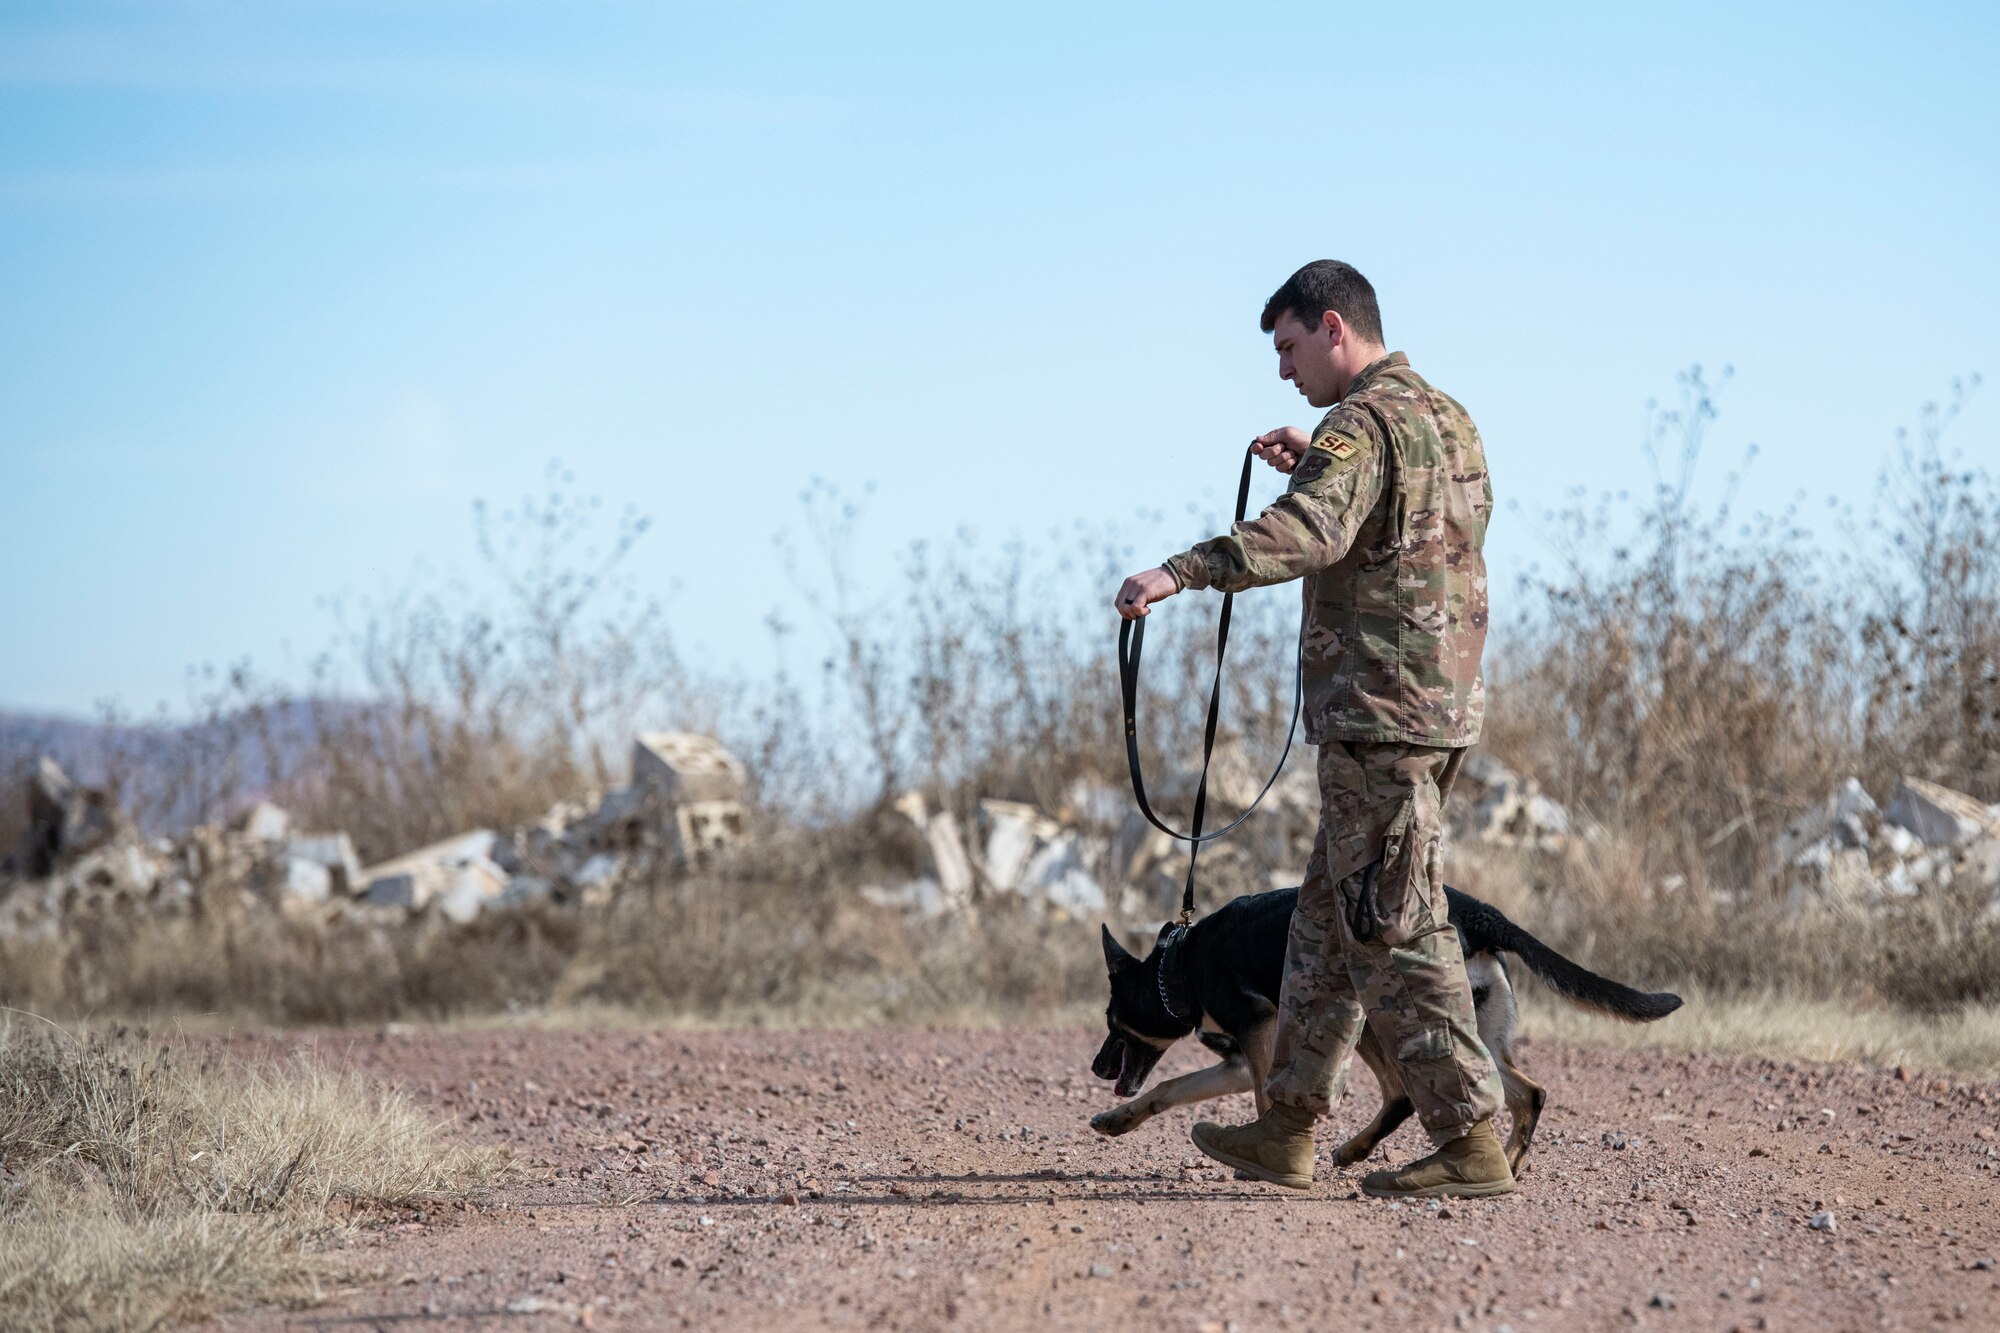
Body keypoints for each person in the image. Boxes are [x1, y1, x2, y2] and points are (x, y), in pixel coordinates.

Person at [1112, 260, 1512, 1199]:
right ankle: (1286, 1126)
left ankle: (1470, 1136)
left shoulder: (1362, 424)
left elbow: (1310, 534)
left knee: (1395, 925)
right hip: (1435, 707)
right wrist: (1324, 459)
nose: (1285, 371)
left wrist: (1184, 571)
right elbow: (1410, 528)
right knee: (1325, 928)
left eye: (1290, 347)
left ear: (1335, 327)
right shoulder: (1446, 419)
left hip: (1380, 716)